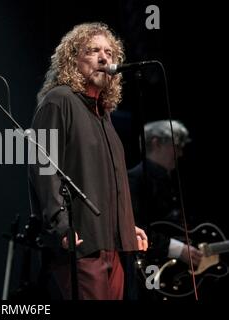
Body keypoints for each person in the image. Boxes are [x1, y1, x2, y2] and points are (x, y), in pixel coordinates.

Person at [28, 22, 147, 300]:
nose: (104, 58)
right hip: (81, 244)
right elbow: (43, 167)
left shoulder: (102, 113)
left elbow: (106, 181)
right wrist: (61, 225)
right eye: (93, 51)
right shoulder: (60, 100)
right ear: (72, 59)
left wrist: (126, 224)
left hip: (112, 244)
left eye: (109, 52)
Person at [127, 120, 202, 299]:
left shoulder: (173, 178)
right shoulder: (135, 180)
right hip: (149, 273)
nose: (181, 153)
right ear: (156, 143)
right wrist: (178, 249)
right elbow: (134, 229)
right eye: (176, 146)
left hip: (175, 273)